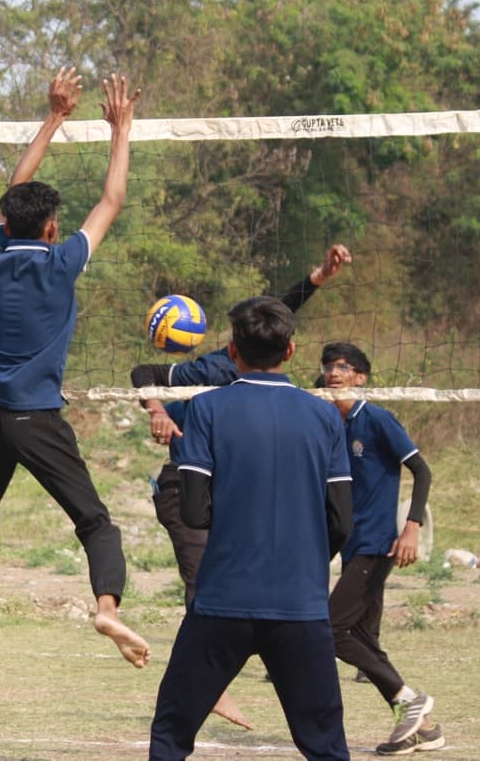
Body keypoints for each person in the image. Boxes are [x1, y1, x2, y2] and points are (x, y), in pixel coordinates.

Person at [0, 67, 150, 668]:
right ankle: (106, 605)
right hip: (37, 419)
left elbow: (16, 186)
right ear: (53, 228)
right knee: (95, 522)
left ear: (6, 226)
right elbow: (113, 199)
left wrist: (55, 116)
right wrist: (121, 129)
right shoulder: (61, 265)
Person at [130, 244, 351, 728]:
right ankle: (212, 685)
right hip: (186, 485)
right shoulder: (209, 371)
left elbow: (275, 314)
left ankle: (230, 673)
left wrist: (315, 278)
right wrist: (158, 409)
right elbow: (143, 373)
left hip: (240, 496)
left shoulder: (276, 382)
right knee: (204, 579)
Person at [319, 342, 444, 756]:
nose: (333, 372)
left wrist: (411, 528)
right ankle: (422, 726)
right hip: (353, 546)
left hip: (378, 544)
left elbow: (421, 472)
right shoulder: (328, 423)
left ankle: (408, 700)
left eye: (343, 367)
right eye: (328, 366)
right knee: (363, 638)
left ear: (360, 377)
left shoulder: (375, 419)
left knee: (334, 630)